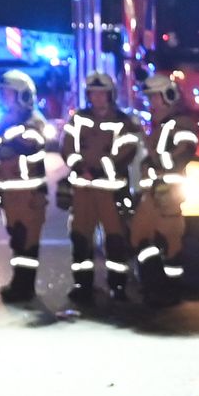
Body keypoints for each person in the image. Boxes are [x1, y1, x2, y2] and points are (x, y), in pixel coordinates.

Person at [60, 70, 142, 304]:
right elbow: (67, 146)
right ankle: (82, 284)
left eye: (102, 94)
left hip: (110, 190)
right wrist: (79, 167)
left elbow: (127, 150)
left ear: (110, 95)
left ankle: (118, 285)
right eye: (93, 94)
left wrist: (99, 169)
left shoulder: (122, 121)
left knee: (115, 238)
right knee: (80, 237)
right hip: (83, 189)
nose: (97, 98)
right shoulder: (78, 119)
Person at [0, 72, 52, 305]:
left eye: (8, 93)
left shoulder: (34, 121)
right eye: (2, 93)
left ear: (22, 95)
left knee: (28, 240)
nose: (4, 97)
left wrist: (5, 133)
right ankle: (18, 283)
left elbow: (30, 143)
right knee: (16, 238)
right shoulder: (1, 123)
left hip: (30, 194)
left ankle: (25, 287)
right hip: (10, 193)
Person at [130, 73, 199, 305]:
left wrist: (158, 161)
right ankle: (155, 285)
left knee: (170, 241)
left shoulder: (181, 123)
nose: (151, 104)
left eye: (154, 98)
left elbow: (186, 150)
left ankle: (168, 289)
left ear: (168, 97)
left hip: (168, 193)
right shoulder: (160, 125)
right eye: (149, 98)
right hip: (153, 192)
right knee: (142, 237)